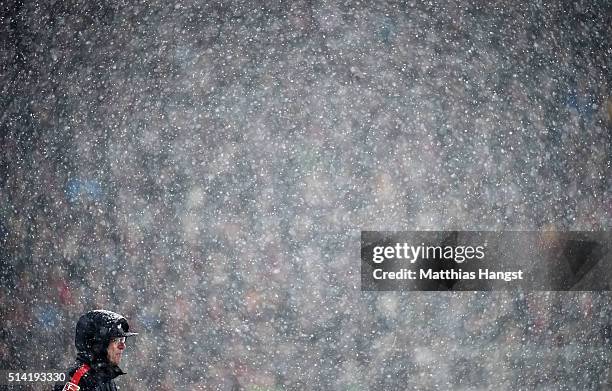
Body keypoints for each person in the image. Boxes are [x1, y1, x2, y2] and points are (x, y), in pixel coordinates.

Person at [53, 310, 137, 391]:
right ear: (99, 344)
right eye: (115, 340)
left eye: (122, 339)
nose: (123, 346)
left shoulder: (106, 378)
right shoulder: (76, 379)